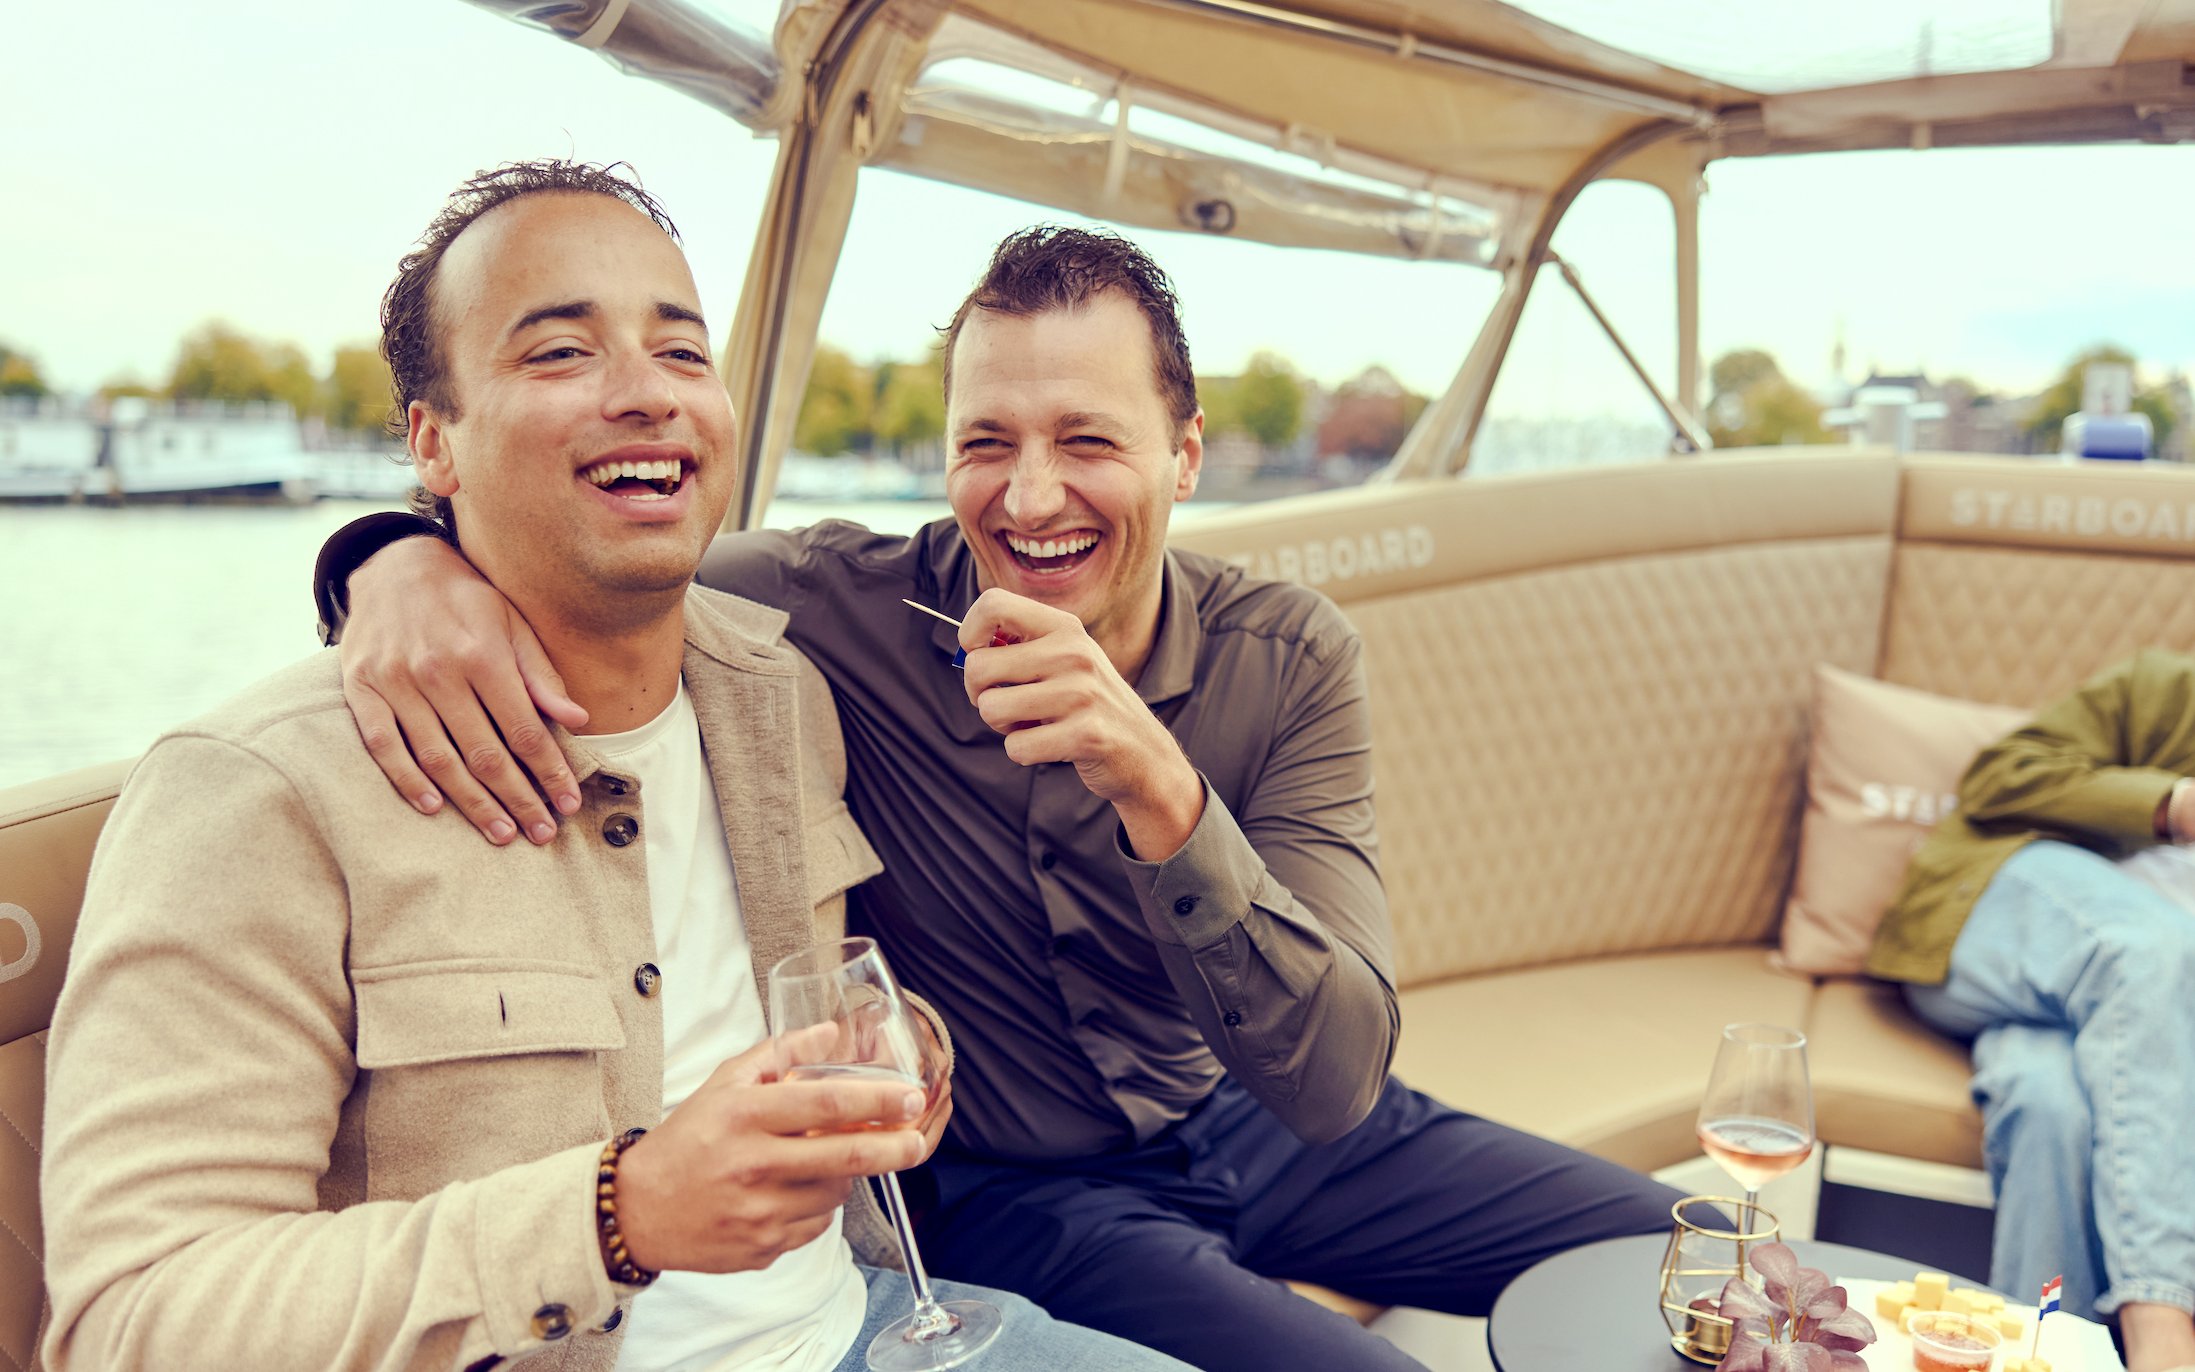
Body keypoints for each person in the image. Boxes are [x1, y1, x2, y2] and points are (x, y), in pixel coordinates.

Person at [317, 225, 1687, 1370]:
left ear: (1184, 456)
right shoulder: (819, 609)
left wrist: (1158, 786)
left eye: (1087, 440)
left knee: (1697, 1264)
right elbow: (594, 544)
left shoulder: (1289, 655)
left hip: (1260, 1121)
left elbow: (1331, 1084)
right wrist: (388, 558)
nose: (1029, 499)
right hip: (1029, 1193)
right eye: (986, 442)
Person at [41, 161, 1184, 1372]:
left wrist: (906, 1036)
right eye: (559, 353)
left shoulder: (783, 695)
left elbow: (762, 1014)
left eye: (683, 353)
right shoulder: (254, 793)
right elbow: (131, 1324)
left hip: (880, 1324)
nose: (646, 394)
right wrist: (615, 1216)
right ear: (433, 439)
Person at [1871, 648, 2195, 1372]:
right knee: (2150, 947)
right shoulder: (2171, 689)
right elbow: (1994, 777)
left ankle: (2043, 1351)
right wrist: (2169, 803)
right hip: (1993, 931)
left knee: (2051, 1109)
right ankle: (2162, 1330)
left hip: (2111, 1030)